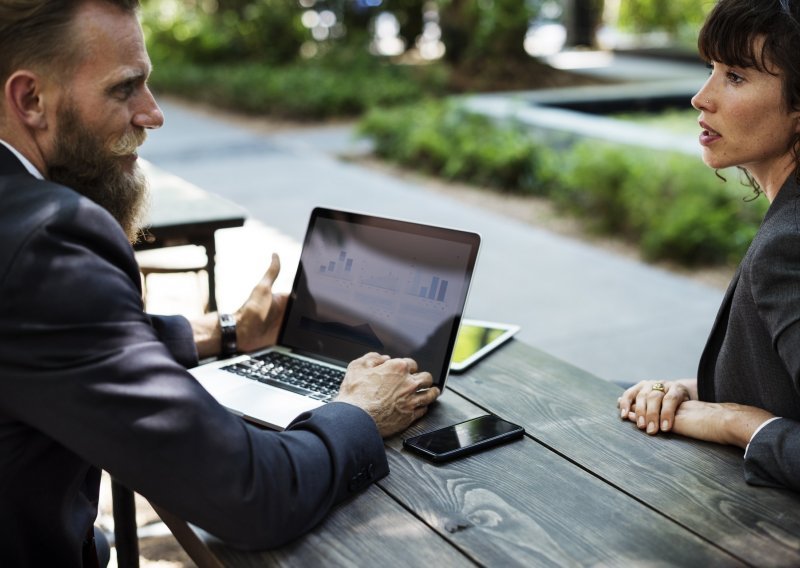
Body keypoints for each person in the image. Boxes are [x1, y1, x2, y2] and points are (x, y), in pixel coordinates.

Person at [0, 0, 440, 565]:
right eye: (124, 88)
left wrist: (225, 331)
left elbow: (49, 343)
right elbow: (250, 495)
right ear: (30, 99)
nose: (152, 113)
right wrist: (356, 411)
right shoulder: (49, 239)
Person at [617, 0, 800, 493]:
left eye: (736, 76)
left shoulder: (789, 247)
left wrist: (736, 425)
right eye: (710, 70)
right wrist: (689, 392)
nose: (701, 98)